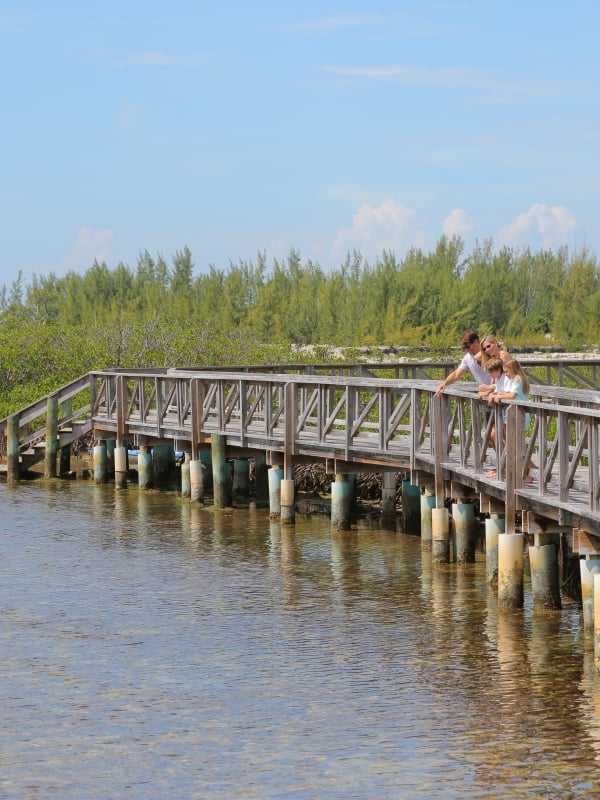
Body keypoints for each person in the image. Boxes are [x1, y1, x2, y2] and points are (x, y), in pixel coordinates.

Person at [487, 357, 535, 482]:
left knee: (516, 445)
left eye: (507, 371)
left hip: (520, 415)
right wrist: (497, 395)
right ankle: (516, 471)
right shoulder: (515, 379)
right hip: (515, 415)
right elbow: (507, 392)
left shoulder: (518, 379)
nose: (505, 374)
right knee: (511, 443)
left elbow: (512, 395)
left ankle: (524, 474)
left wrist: (497, 396)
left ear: (513, 370)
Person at [435, 330, 492, 396]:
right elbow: (456, 374)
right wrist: (444, 384)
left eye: (468, 346)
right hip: (485, 397)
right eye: (464, 348)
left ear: (476, 342)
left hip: (499, 394)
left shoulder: (489, 352)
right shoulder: (467, 358)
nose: (467, 350)